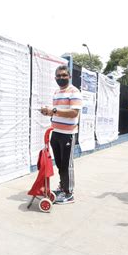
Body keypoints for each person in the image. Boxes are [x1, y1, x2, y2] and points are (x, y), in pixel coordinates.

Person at [40, 65, 82, 204]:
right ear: (55, 78)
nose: (61, 78)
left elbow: (74, 112)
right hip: (56, 132)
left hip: (68, 134)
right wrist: (48, 112)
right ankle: (63, 186)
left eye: (64, 75)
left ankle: (69, 193)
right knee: (59, 163)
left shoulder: (74, 92)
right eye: (58, 76)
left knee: (67, 164)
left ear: (69, 76)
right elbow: (56, 112)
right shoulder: (56, 92)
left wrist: (54, 110)